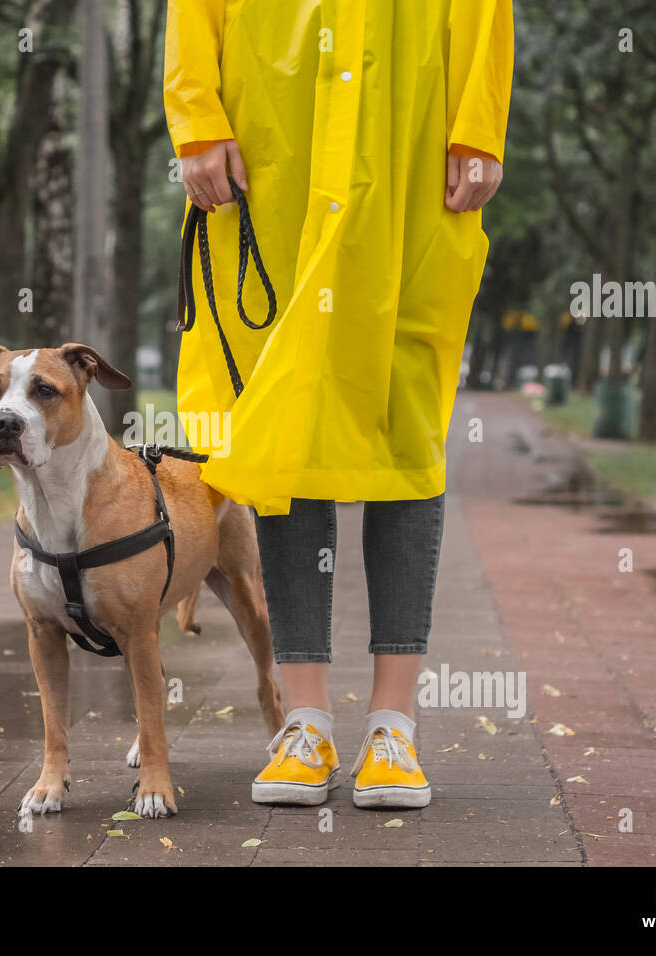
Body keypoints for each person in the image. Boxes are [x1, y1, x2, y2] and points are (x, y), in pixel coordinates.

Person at [162, 0, 513, 808]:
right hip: (274, 130)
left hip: (409, 140)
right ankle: (306, 720)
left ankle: (394, 725)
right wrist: (196, 117)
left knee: (407, 429)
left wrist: (478, 124)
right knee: (291, 428)